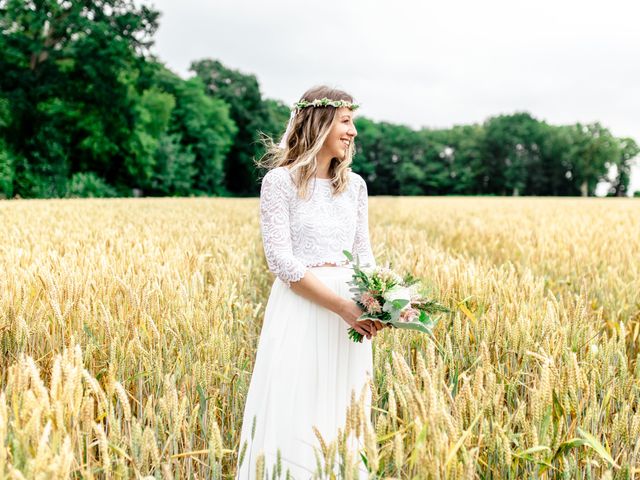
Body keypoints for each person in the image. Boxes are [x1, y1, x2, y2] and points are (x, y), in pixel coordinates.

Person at [235, 85, 387, 479]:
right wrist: (342, 307)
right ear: (319, 123)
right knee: (297, 404)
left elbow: (363, 255)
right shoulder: (280, 183)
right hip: (304, 308)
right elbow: (281, 262)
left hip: (350, 318)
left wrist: (380, 300)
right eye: (346, 121)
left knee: (345, 408)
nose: (353, 131)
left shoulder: (354, 186)